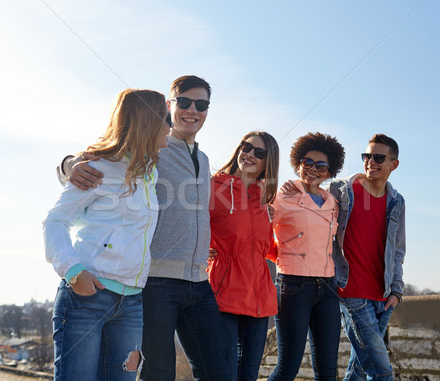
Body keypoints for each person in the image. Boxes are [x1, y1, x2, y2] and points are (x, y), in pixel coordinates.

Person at [59, 75, 232, 381]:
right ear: (169, 105)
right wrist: (68, 165)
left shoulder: (204, 160)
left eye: (201, 104)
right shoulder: (153, 148)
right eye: (184, 102)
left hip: (198, 279)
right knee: (158, 373)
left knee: (219, 369)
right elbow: (100, 159)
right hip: (156, 282)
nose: (193, 110)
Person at [43, 88, 170, 380]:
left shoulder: (150, 174)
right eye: (165, 119)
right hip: (87, 298)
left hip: (132, 302)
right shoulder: (97, 167)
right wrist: (74, 272)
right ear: (145, 121)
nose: (170, 126)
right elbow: (55, 221)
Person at [267, 132, 347, 381]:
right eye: (307, 163)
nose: (313, 169)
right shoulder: (282, 196)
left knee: (328, 372)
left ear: (329, 170)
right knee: (287, 368)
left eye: (321, 165)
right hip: (293, 286)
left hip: (327, 288)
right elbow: (256, 231)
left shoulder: (333, 203)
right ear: (298, 163)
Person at [330, 133, 405, 381]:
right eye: (367, 155)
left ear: (394, 163)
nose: (370, 161)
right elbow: (309, 196)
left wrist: (396, 291)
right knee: (381, 371)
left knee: (359, 369)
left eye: (378, 157)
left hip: (382, 297)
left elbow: (397, 250)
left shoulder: (396, 202)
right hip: (351, 292)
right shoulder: (341, 191)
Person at [207, 131, 279, 381]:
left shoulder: (266, 198)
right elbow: (192, 227)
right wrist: (203, 249)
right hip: (223, 293)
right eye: (246, 147)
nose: (249, 154)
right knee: (224, 373)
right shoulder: (214, 187)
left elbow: (268, 247)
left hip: (260, 297)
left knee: (248, 375)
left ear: (267, 163)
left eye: (259, 153)